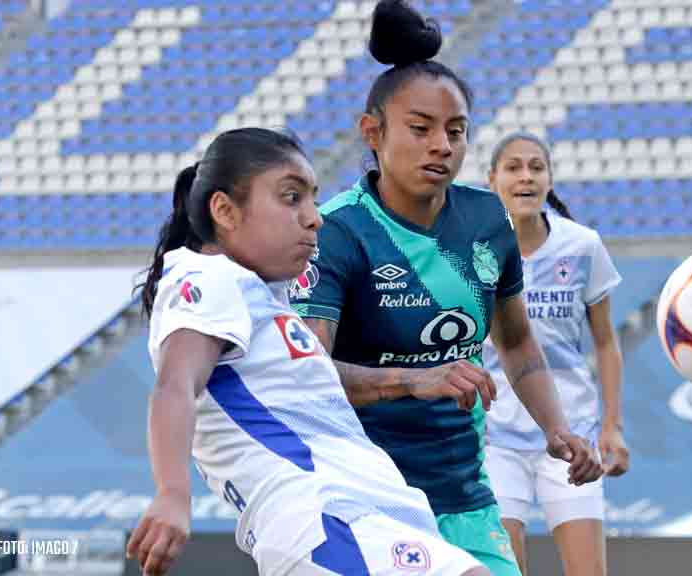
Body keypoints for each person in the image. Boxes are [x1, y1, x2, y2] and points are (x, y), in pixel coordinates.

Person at [295, 2, 603, 574]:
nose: (442, 145)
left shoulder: (489, 223)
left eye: (456, 131)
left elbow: (516, 345)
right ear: (372, 133)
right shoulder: (339, 232)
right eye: (421, 129)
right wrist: (415, 380)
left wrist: (558, 431)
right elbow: (309, 373)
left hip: (464, 493)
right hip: (365, 496)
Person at [126, 127, 487, 576]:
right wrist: (172, 494)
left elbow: (311, 388)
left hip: (365, 516)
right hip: (326, 517)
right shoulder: (209, 278)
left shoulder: (262, 300)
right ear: (224, 210)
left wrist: (412, 380)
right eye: (291, 197)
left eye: (313, 199)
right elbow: (175, 386)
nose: (315, 217)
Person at [480, 132, 629, 576]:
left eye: (535, 167)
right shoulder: (473, 250)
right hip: (494, 438)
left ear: (548, 178)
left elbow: (606, 342)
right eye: (513, 167)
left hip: (572, 435)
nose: (525, 176)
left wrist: (612, 427)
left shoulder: (582, 246)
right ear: (492, 180)